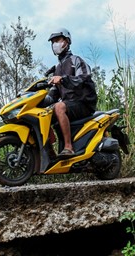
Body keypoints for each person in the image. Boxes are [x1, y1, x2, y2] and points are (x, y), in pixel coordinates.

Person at [43, 28, 98, 159]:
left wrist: (63, 79)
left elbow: (83, 79)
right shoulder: (57, 69)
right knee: (43, 114)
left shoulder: (76, 60)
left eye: (57, 40)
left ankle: (69, 147)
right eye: (53, 42)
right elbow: (53, 95)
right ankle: (49, 153)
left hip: (83, 102)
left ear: (67, 42)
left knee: (59, 107)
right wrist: (38, 100)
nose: (55, 44)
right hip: (70, 104)